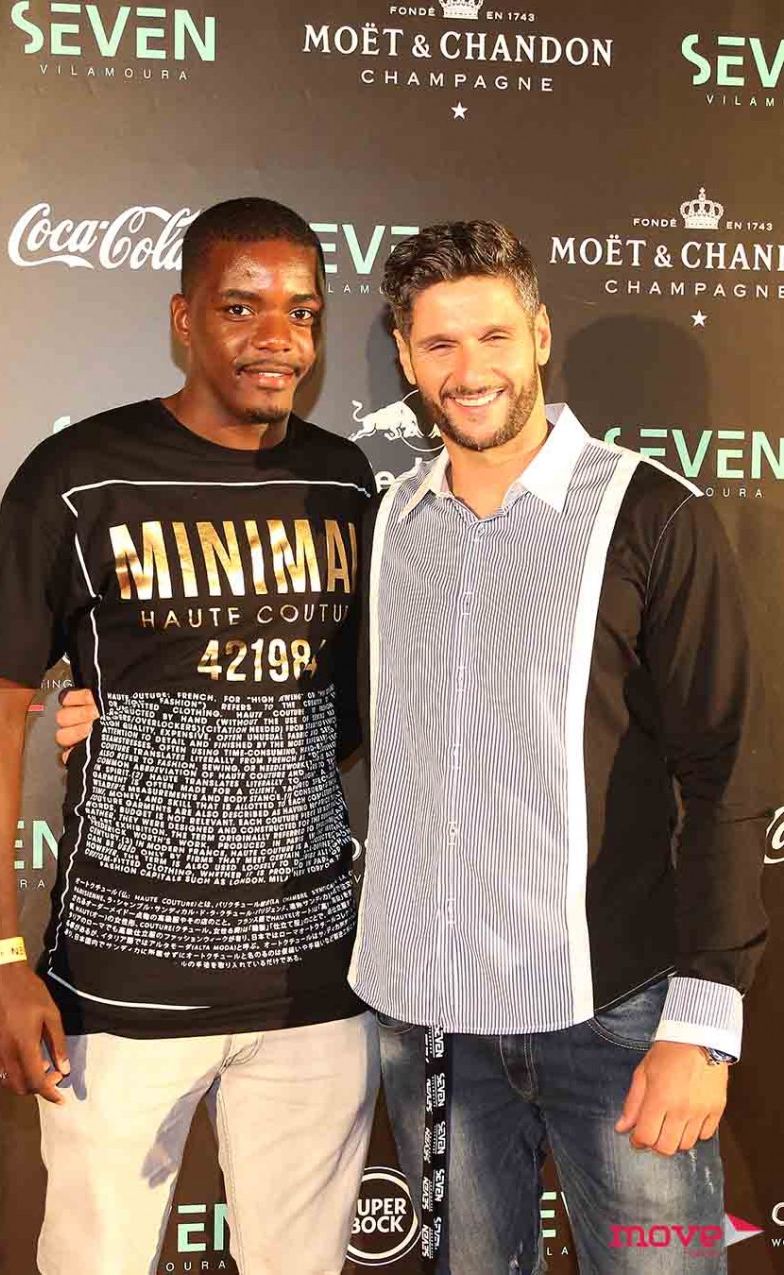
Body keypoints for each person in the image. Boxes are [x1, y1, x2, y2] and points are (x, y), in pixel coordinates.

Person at [0, 197, 379, 1275]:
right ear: (184, 319)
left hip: (316, 985)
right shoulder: (77, 476)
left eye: (302, 312)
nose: (277, 337)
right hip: (119, 988)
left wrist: (168, 732)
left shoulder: (345, 481)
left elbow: (350, 706)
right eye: (241, 307)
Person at [345, 221, 769, 1272]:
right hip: (433, 1030)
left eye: (493, 335)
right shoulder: (388, 525)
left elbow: (725, 770)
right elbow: (333, 717)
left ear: (538, 336)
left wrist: (702, 1023)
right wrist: (121, 710)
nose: (469, 369)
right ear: (405, 356)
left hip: (618, 1019)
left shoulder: (653, 516)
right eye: (439, 344)